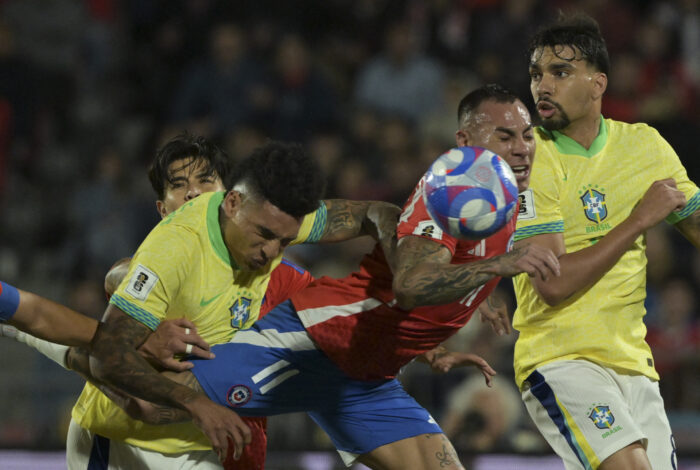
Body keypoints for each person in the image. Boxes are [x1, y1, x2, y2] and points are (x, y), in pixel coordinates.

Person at [88, 84, 561, 469]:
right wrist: (496, 268)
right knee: (151, 405)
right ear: (465, 143)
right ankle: (71, 347)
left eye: (526, 135)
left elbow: (396, 237)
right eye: (505, 137)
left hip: (369, 375)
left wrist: (473, 295)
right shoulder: (443, 197)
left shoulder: (508, 200)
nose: (522, 149)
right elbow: (411, 287)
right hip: (317, 343)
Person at [512, 14, 699, 470]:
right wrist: (638, 220)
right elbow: (553, 285)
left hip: (634, 362)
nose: (543, 86)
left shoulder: (645, 147)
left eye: (560, 72)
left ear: (598, 84)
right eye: (537, 74)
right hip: (561, 357)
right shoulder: (528, 158)